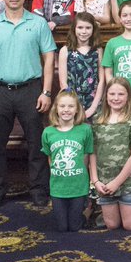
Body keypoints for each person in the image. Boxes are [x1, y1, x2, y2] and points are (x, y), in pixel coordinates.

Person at [0, 0, 57, 209]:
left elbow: (49, 58)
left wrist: (46, 92)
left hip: (31, 90)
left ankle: (39, 190)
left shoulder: (38, 23)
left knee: (37, 143)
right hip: (0, 91)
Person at [89, 77, 131, 231]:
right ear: (106, 95)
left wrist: (116, 183)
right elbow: (92, 152)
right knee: (112, 225)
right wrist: (95, 180)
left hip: (128, 182)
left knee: (129, 225)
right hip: (105, 182)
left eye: (121, 94)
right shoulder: (97, 120)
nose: (116, 98)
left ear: (128, 96)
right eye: (112, 94)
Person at [42, 90, 95, 232]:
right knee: (62, 228)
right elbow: (50, 157)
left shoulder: (85, 130)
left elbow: (88, 155)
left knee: (75, 227)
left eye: (71, 106)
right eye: (62, 106)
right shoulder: (48, 132)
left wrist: (89, 179)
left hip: (78, 186)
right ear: (56, 109)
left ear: (77, 109)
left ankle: (88, 211)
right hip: (58, 187)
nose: (66, 110)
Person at [58, 13, 104, 119]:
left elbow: (102, 80)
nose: (84, 31)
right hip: (72, 102)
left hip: (94, 101)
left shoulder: (98, 50)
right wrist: (74, 107)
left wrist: (93, 107)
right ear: (74, 28)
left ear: (93, 29)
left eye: (88, 28)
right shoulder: (65, 50)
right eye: (80, 27)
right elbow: (63, 83)